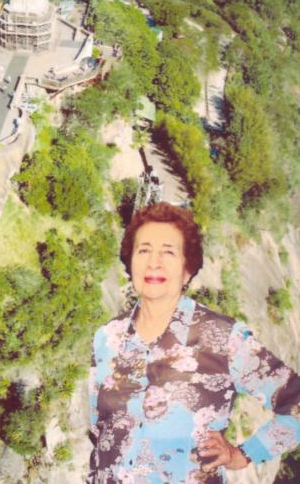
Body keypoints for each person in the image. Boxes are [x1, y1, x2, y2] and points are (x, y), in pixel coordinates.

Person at [88, 202, 300, 483]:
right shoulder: (107, 337)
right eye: (144, 250)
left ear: (188, 269)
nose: (154, 262)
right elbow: (99, 429)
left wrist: (243, 454)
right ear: (130, 262)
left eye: (168, 252)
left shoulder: (223, 337)